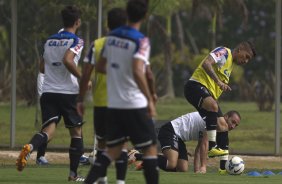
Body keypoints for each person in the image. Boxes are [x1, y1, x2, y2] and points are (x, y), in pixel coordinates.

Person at [78, 0, 159, 183]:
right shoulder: (141, 40)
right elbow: (139, 71)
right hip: (134, 104)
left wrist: (118, 72)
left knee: (111, 151)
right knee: (150, 149)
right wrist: (150, 101)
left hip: (114, 105)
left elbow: (100, 66)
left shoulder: (111, 38)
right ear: (145, 16)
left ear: (127, 14)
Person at [16, 5, 86, 182]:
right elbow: (68, 60)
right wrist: (84, 78)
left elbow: (42, 67)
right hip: (68, 92)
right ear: (77, 22)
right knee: (76, 133)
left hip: (48, 92)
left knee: (49, 130)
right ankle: (73, 175)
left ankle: (31, 146)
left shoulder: (49, 41)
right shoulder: (77, 41)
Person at [78, 7, 127, 184]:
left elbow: (86, 75)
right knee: (120, 144)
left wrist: (80, 99)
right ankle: (120, 181)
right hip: (122, 103)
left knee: (102, 143)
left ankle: (103, 178)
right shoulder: (130, 45)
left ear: (107, 24)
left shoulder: (97, 45)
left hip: (101, 102)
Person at [184, 41, 256, 158]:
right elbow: (206, 63)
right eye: (246, 56)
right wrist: (218, 81)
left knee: (223, 126)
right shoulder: (224, 52)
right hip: (194, 86)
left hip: (208, 95)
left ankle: (224, 168)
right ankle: (212, 147)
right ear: (239, 50)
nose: (246, 61)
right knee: (213, 106)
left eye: (249, 59)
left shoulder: (230, 65)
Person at [128, 110, 241, 173]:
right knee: (171, 163)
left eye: (236, 124)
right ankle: (137, 155)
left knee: (182, 169)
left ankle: (149, 163)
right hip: (170, 131)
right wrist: (203, 167)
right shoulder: (214, 120)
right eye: (233, 121)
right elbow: (205, 145)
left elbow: (199, 148)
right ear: (226, 117)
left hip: (179, 138)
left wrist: (197, 171)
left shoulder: (218, 127)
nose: (233, 126)